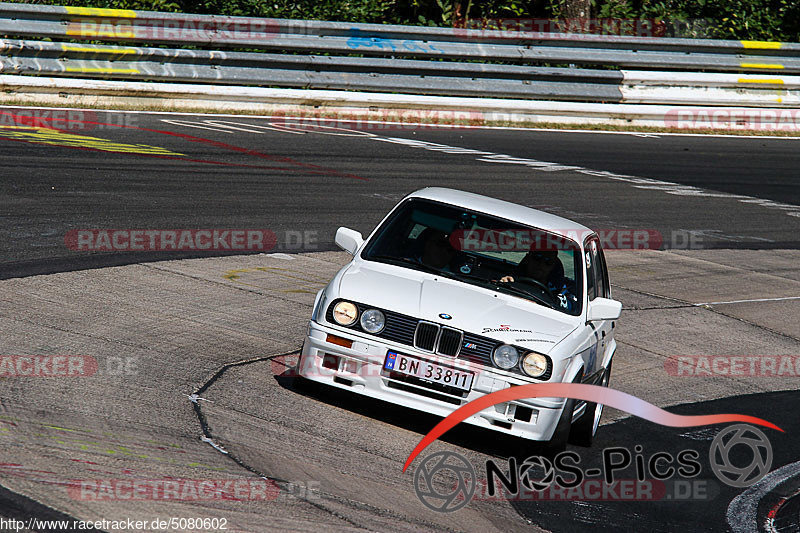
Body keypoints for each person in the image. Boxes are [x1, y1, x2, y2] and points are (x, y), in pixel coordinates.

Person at [499, 250, 578, 311]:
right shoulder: (510, 281)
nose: (541, 265)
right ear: (527, 258)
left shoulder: (558, 292)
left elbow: (574, 307)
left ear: (553, 266)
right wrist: (503, 285)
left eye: (548, 262)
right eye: (537, 258)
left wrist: (554, 300)